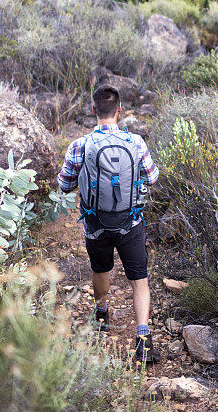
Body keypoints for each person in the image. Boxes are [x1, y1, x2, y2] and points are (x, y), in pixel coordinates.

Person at [57, 84, 160, 364]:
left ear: (93, 110)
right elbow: (152, 179)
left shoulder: (80, 145)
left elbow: (64, 184)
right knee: (139, 279)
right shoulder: (136, 142)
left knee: (101, 268)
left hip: (95, 224)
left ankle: (101, 312)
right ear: (119, 111)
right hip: (131, 222)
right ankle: (143, 338)